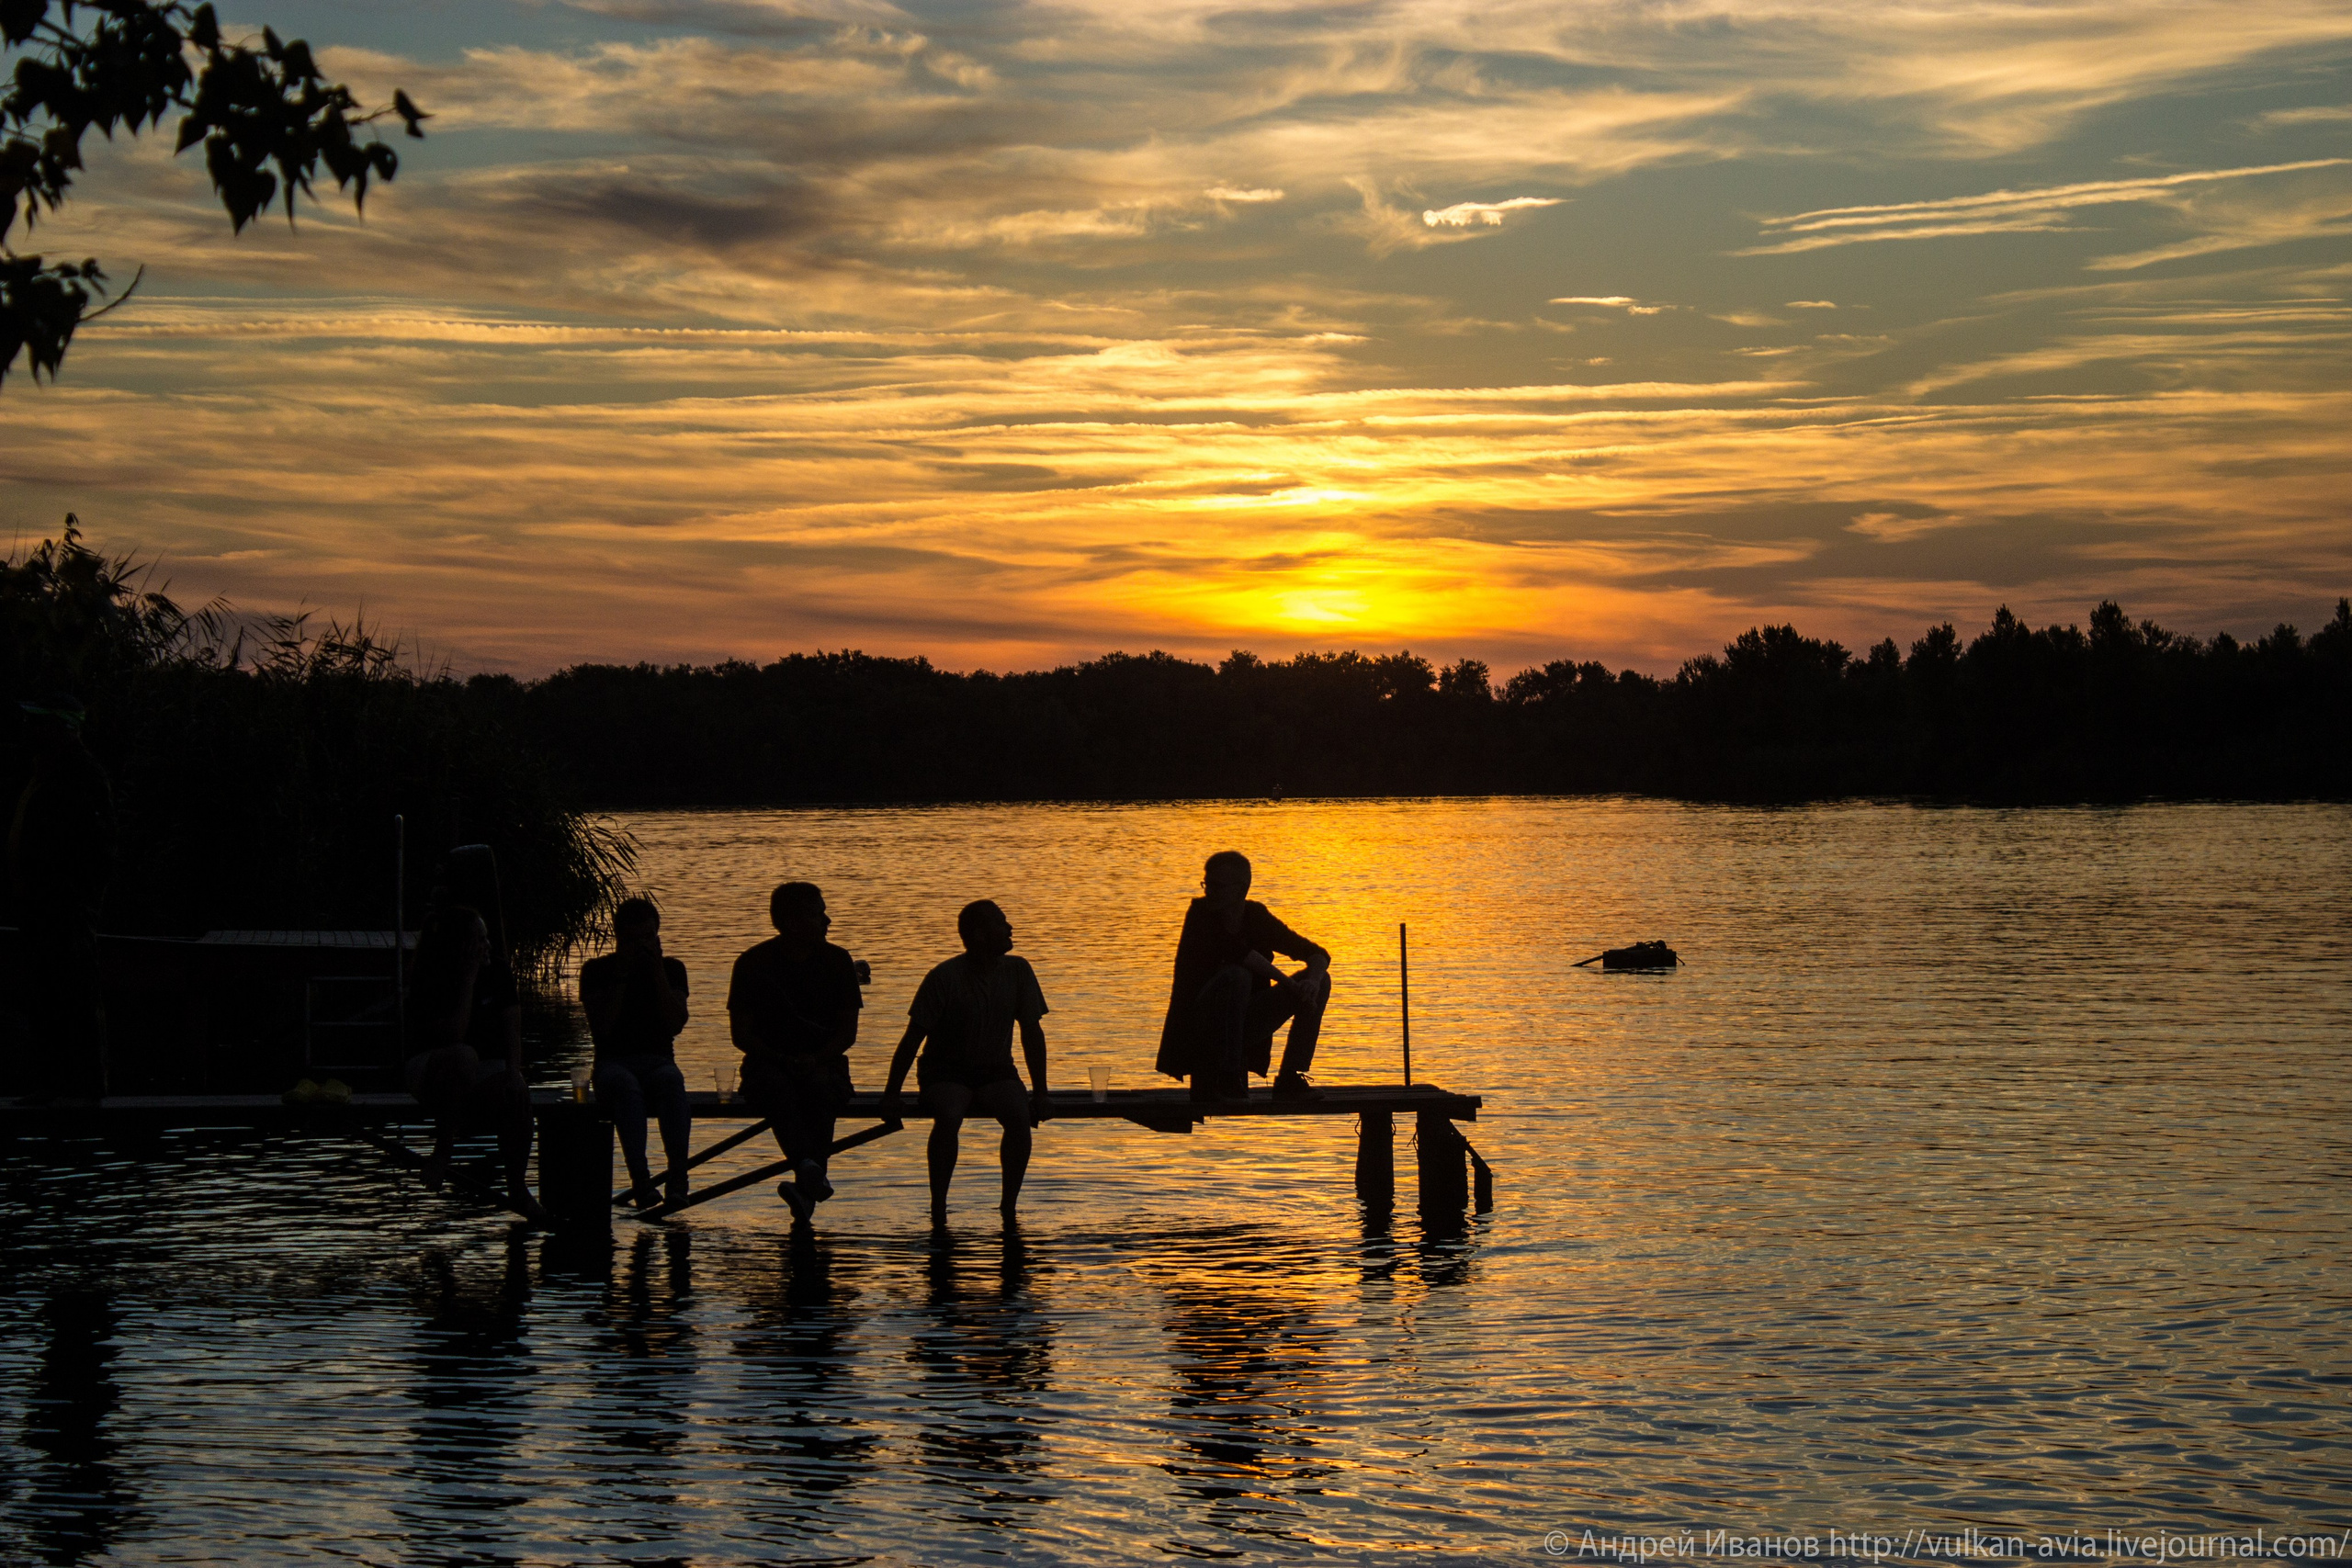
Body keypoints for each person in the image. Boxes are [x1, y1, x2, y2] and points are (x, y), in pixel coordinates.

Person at [882, 899, 1052, 1224]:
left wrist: (1041, 1092)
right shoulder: (944, 977)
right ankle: (938, 1207)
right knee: (949, 1112)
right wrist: (891, 1094)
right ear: (980, 935)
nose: (1010, 928)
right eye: (1002, 923)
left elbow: (1032, 1033)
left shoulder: (1019, 970)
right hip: (944, 1071)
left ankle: (1008, 1209)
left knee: (1018, 1116)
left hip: (996, 1070)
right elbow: (911, 1040)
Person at [403, 900, 548, 1224]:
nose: (487, 946)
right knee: (463, 1056)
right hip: (431, 1068)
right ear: (461, 945)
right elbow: (453, 1034)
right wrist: (468, 981)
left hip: (479, 1072)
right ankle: (443, 1151)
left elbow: (513, 1027)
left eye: (486, 938)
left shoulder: (497, 970)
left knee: (517, 1092)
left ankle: (517, 1187)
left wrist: (514, 1073)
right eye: (479, 940)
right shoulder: (433, 973)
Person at [728, 881, 864, 1224]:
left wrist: (816, 1058)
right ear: (791, 922)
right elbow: (741, 1034)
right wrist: (781, 1058)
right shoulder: (752, 963)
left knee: (820, 1089)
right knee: (779, 1089)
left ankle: (806, 1180)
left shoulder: (838, 960)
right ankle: (808, 1172)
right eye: (818, 914)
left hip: (824, 1062)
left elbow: (847, 1032)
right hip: (767, 1064)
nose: (827, 921)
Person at [1155, 850, 1331, 1103]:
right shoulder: (1200, 915)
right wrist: (1293, 987)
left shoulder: (1255, 915)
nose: (1209, 891)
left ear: (1242, 888)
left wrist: (1311, 983)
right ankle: (1226, 1077)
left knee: (1322, 979)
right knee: (1237, 976)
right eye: (1207, 884)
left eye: (1217, 886)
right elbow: (1244, 956)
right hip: (1201, 1027)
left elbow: (1317, 954)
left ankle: (1290, 1078)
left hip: (1243, 1023)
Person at [6, 694, 115, 1103]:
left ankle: (82, 1093)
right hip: (37, 911)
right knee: (43, 1000)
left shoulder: (81, 777)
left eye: (39, 724)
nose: (30, 732)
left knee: (73, 999)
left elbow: (97, 854)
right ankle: (48, 1088)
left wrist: (71, 902)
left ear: (64, 729)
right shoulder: (42, 773)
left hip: (64, 912)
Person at [580, 897, 691, 1209]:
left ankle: (678, 1177)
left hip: (658, 1061)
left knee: (671, 1081)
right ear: (619, 938)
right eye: (633, 939)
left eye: (648, 938)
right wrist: (623, 974)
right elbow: (602, 1028)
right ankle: (640, 1180)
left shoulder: (672, 969)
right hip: (612, 1064)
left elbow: (675, 1024)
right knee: (625, 1087)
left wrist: (657, 974)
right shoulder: (597, 971)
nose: (641, 946)